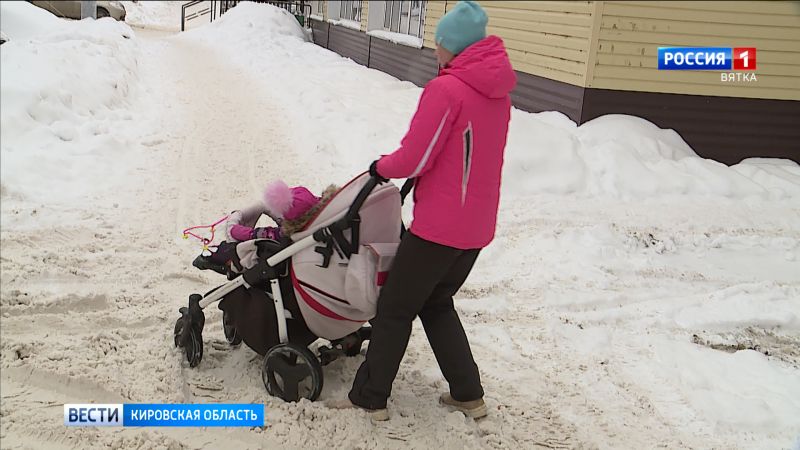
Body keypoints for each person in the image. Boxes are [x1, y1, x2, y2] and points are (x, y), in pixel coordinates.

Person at [327, 1, 516, 421]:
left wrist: (381, 167)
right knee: (436, 301)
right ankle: (468, 393)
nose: (436, 52)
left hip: (438, 229)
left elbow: (416, 157)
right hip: (476, 228)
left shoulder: (447, 90)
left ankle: (370, 397)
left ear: (457, 48)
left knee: (394, 308)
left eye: (440, 45)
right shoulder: (497, 95)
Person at [192, 180, 336, 274]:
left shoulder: (285, 233)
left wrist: (234, 226)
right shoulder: (322, 215)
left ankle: (215, 258)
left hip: (279, 262)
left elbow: (255, 234)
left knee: (242, 249)